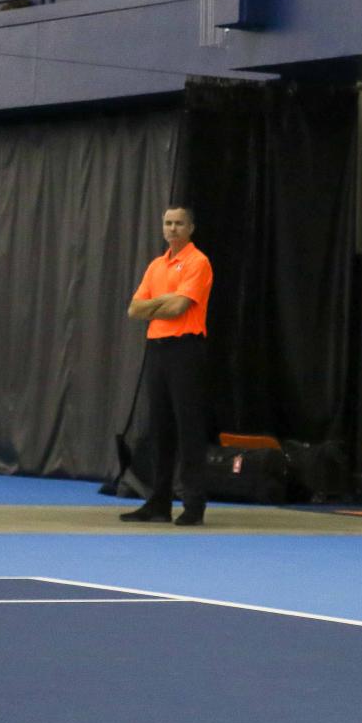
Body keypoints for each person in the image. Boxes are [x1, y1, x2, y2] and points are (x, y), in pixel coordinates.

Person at [123, 206, 214, 526]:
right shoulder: (156, 265)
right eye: (168, 223)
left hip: (185, 350)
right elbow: (134, 309)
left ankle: (193, 505)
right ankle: (159, 502)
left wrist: (157, 303)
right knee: (160, 429)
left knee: (189, 428)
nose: (172, 228)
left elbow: (179, 307)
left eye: (179, 223)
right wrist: (165, 300)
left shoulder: (198, 262)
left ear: (191, 228)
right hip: (157, 349)